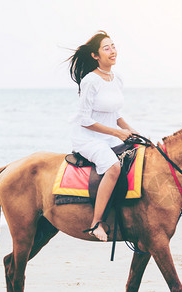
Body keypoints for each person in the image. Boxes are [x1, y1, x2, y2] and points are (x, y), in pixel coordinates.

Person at [68, 31, 138, 241]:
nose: (112, 51)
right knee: (113, 167)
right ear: (95, 56)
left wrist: (133, 132)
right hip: (87, 138)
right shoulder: (90, 81)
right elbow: (84, 119)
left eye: (113, 46)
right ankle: (97, 222)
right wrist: (118, 133)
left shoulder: (117, 79)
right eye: (106, 48)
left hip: (110, 137)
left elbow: (115, 115)